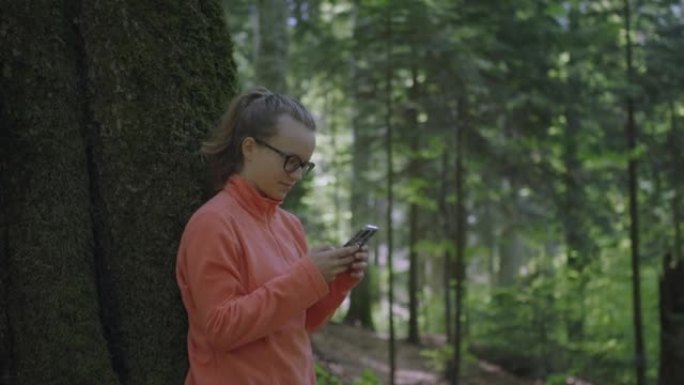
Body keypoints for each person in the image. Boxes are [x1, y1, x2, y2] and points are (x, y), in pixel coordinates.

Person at [175, 87, 368, 385]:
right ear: (249, 148)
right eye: (290, 160)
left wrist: (337, 283)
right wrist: (307, 277)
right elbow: (221, 328)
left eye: (304, 165)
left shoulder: (289, 226)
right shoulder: (213, 223)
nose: (297, 174)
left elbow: (300, 323)